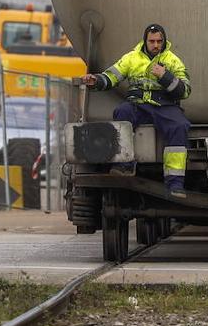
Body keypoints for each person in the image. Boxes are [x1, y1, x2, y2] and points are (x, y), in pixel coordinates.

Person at [82, 24, 191, 197]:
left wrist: (165, 76)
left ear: (164, 42)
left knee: (179, 126)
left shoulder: (172, 60)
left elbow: (185, 90)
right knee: (122, 113)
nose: (156, 45)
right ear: (145, 41)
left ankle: (175, 184)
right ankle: (124, 165)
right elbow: (111, 76)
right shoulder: (131, 58)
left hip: (165, 106)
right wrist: (95, 80)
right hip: (138, 104)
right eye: (152, 41)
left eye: (159, 41)